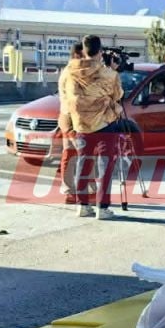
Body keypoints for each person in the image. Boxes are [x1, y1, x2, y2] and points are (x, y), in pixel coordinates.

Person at [61, 35, 124, 220]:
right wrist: (112, 69)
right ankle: (102, 208)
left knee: (83, 163)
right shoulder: (108, 74)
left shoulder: (70, 71)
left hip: (81, 124)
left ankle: (82, 205)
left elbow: (65, 95)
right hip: (105, 124)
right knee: (105, 166)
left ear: (84, 50)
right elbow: (118, 94)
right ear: (100, 51)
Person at [57, 43, 85, 204]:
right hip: (72, 117)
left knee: (71, 153)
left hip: (69, 116)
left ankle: (71, 189)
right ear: (76, 56)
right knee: (79, 152)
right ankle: (71, 190)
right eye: (84, 56)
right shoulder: (72, 72)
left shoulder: (72, 71)